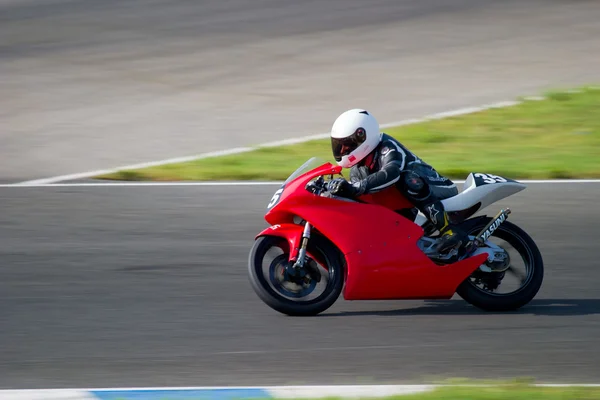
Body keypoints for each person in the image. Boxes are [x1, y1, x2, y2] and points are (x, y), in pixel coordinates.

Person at [326, 108, 468, 255]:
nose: (342, 150)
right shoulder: (357, 170)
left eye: (347, 144)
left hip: (438, 187)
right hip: (408, 202)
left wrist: (356, 187)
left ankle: (450, 231)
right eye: (338, 145)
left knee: (407, 179)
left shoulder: (387, 147)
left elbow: (391, 173)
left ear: (363, 137)